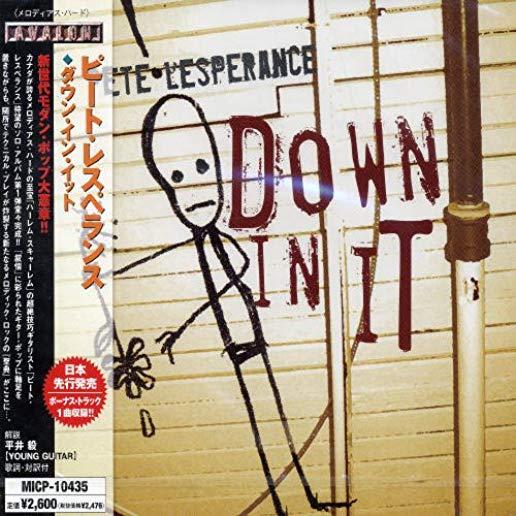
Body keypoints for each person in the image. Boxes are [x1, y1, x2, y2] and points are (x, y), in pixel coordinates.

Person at [111, 93, 352, 515]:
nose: (194, 187)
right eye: (177, 177)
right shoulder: (199, 247)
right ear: (167, 190)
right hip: (236, 347)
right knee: (262, 427)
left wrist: (186, 324)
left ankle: (305, 497)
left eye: (202, 168)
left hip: (250, 340)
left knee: (274, 422)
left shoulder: (219, 243)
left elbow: (238, 266)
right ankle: (286, 503)